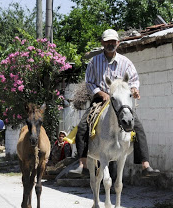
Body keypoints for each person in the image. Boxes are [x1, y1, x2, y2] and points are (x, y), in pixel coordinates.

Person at [68, 29, 160, 178]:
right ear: (102, 43)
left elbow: (134, 79)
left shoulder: (126, 62)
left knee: (138, 127)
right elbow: (89, 82)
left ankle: (145, 165)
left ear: (118, 43)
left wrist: (135, 89)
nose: (110, 44)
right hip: (101, 99)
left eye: (113, 41)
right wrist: (100, 93)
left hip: (121, 100)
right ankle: (83, 164)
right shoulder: (94, 62)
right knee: (83, 126)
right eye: (107, 41)